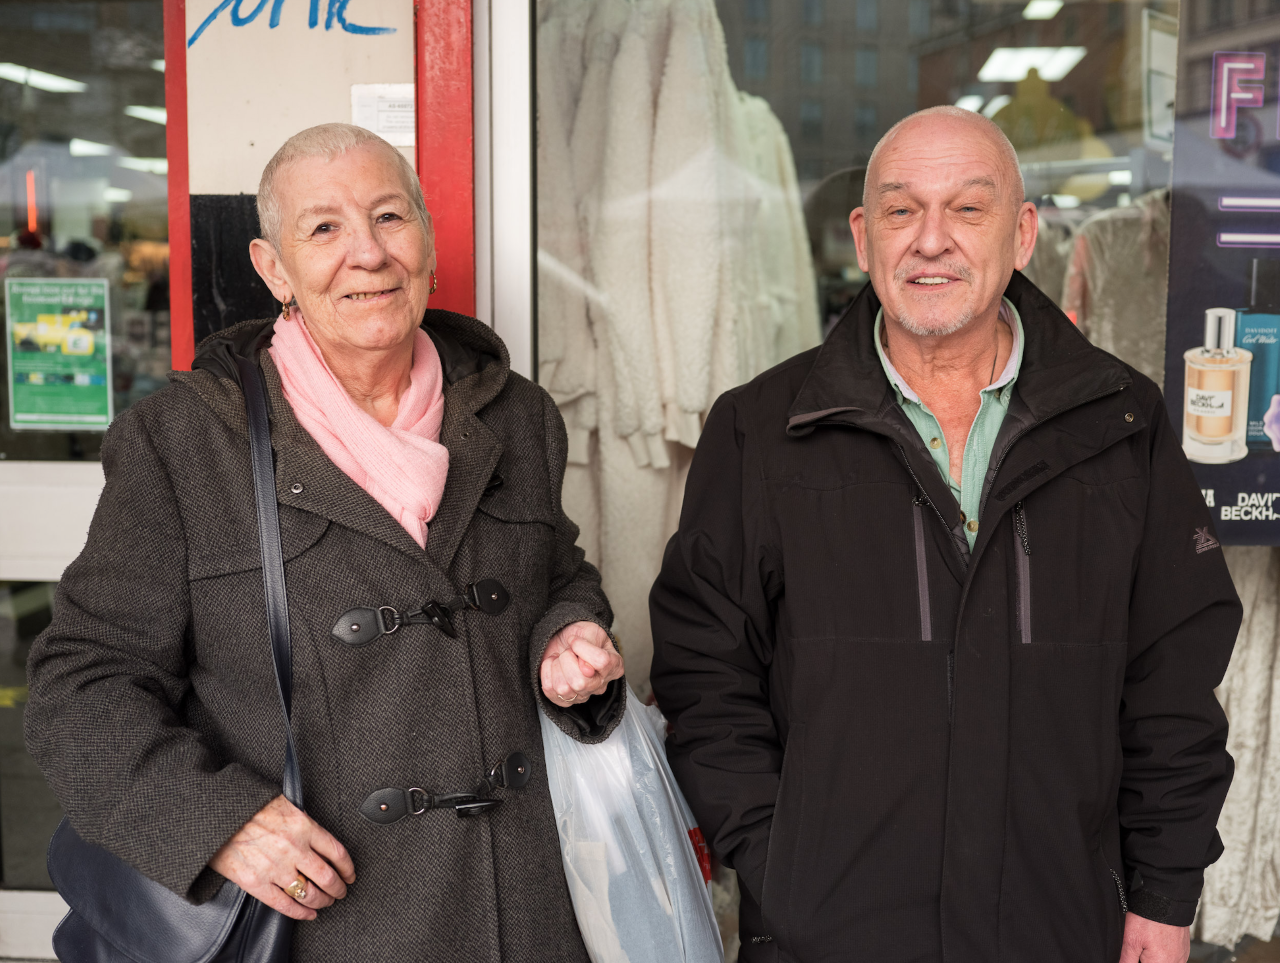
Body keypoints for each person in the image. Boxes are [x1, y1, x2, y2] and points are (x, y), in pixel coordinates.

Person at [649, 107, 1240, 963]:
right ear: (863, 237)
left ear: (1022, 234)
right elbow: (705, 673)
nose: (932, 240)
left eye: (968, 208)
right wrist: (782, 864)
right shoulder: (762, 430)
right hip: (827, 941)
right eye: (902, 210)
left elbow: (1173, 683)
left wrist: (1162, 892)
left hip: (1063, 930)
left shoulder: (1121, 424)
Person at [25, 123, 624, 961]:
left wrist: (569, 632)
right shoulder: (186, 440)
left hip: (521, 918)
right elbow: (82, 678)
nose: (367, 253)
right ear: (275, 269)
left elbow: (560, 574)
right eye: (324, 228)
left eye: (390, 217)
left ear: (427, 242)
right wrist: (219, 822)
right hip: (321, 931)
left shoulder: (516, 415)